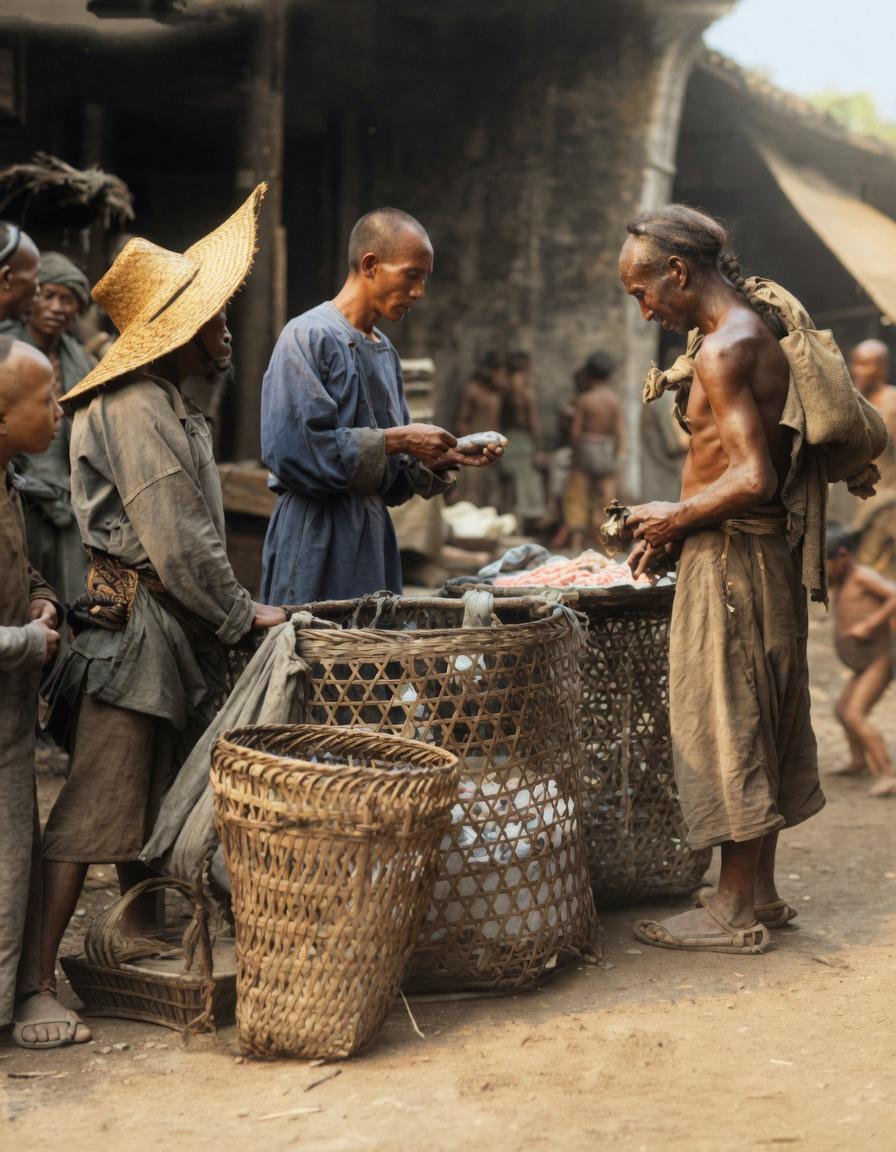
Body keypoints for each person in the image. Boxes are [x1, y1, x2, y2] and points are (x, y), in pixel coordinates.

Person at [38, 186, 287, 1012]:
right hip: (137, 629)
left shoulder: (167, 403)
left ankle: (138, 930)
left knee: (152, 784)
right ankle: (37, 982)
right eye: (214, 322)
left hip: (157, 622)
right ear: (178, 336)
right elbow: (179, 537)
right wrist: (240, 613)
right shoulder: (136, 406)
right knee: (95, 805)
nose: (225, 333)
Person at [618, 204, 884, 955]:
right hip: (759, 554)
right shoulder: (747, 330)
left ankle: (731, 905)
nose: (644, 311)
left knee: (727, 713)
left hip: (734, 555)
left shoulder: (722, 349)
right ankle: (759, 891)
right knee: (758, 705)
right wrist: (679, 525)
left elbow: (753, 475)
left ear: (679, 272)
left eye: (644, 291)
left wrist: (673, 519)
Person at [260, 207, 501, 605]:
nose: (419, 293)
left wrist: (441, 456)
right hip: (317, 538)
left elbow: (391, 481)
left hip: (372, 542)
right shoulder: (307, 337)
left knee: (374, 657)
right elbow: (295, 454)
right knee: (315, 655)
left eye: (423, 280)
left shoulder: (384, 352)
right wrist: (398, 439)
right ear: (370, 265)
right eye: (411, 275)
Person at [0, 335, 83, 1048]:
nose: (58, 411)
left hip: (9, 720)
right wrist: (28, 644)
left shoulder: (8, 483)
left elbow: (22, 574)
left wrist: (42, 601)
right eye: (45, 400)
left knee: (13, 859)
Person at [6, 253, 94, 605]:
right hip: (20, 492)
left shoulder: (80, 359)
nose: (57, 307)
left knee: (67, 594)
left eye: (68, 299)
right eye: (49, 295)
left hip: (68, 499)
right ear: (33, 298)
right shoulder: (6, 348)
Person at [826, 524, 896, 797]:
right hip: (862, 662)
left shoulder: (862, 577)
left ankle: (887, 773)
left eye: (829, 561)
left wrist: (869, 624)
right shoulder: (841, 582)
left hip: (879, 658)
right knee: (841, 710)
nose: (826, 568)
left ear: (843, 556)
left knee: (855, 714)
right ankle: (858, 761)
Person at [563, 351, 623, 552]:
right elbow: (618, 432)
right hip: (605, 449)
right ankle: (607, 542)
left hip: (586, 448)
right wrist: (616, 454)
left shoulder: (584, 400)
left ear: (588, 374)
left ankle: (577, 542)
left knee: (578, 494)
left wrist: (574, 452)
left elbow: (575, 432)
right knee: (607, 495)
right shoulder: (613, 400)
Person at [848, 340, 896, 579]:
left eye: (865, 364)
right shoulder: (855, 405)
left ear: (882, 368)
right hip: (863, 511)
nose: (857, 370)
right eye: (855, 363)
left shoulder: (893, 403)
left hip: (890, 508)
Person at [496, 350, 546, 529]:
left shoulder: (504, 388)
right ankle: (519, 526)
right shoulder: (525, 391)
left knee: (510, 485)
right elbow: (533, 423)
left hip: (508, 438)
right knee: (524, 486)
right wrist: (538, 447)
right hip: (522, 442)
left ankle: (511, 525)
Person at [455, 360, 505, 509]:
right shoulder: (473, 391)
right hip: (474, 448)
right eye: (500, 374)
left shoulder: (497, 395)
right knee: (471, 492)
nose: (503, 378)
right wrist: (470, 444)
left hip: (492, 449)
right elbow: (462, 421)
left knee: (490, 492)